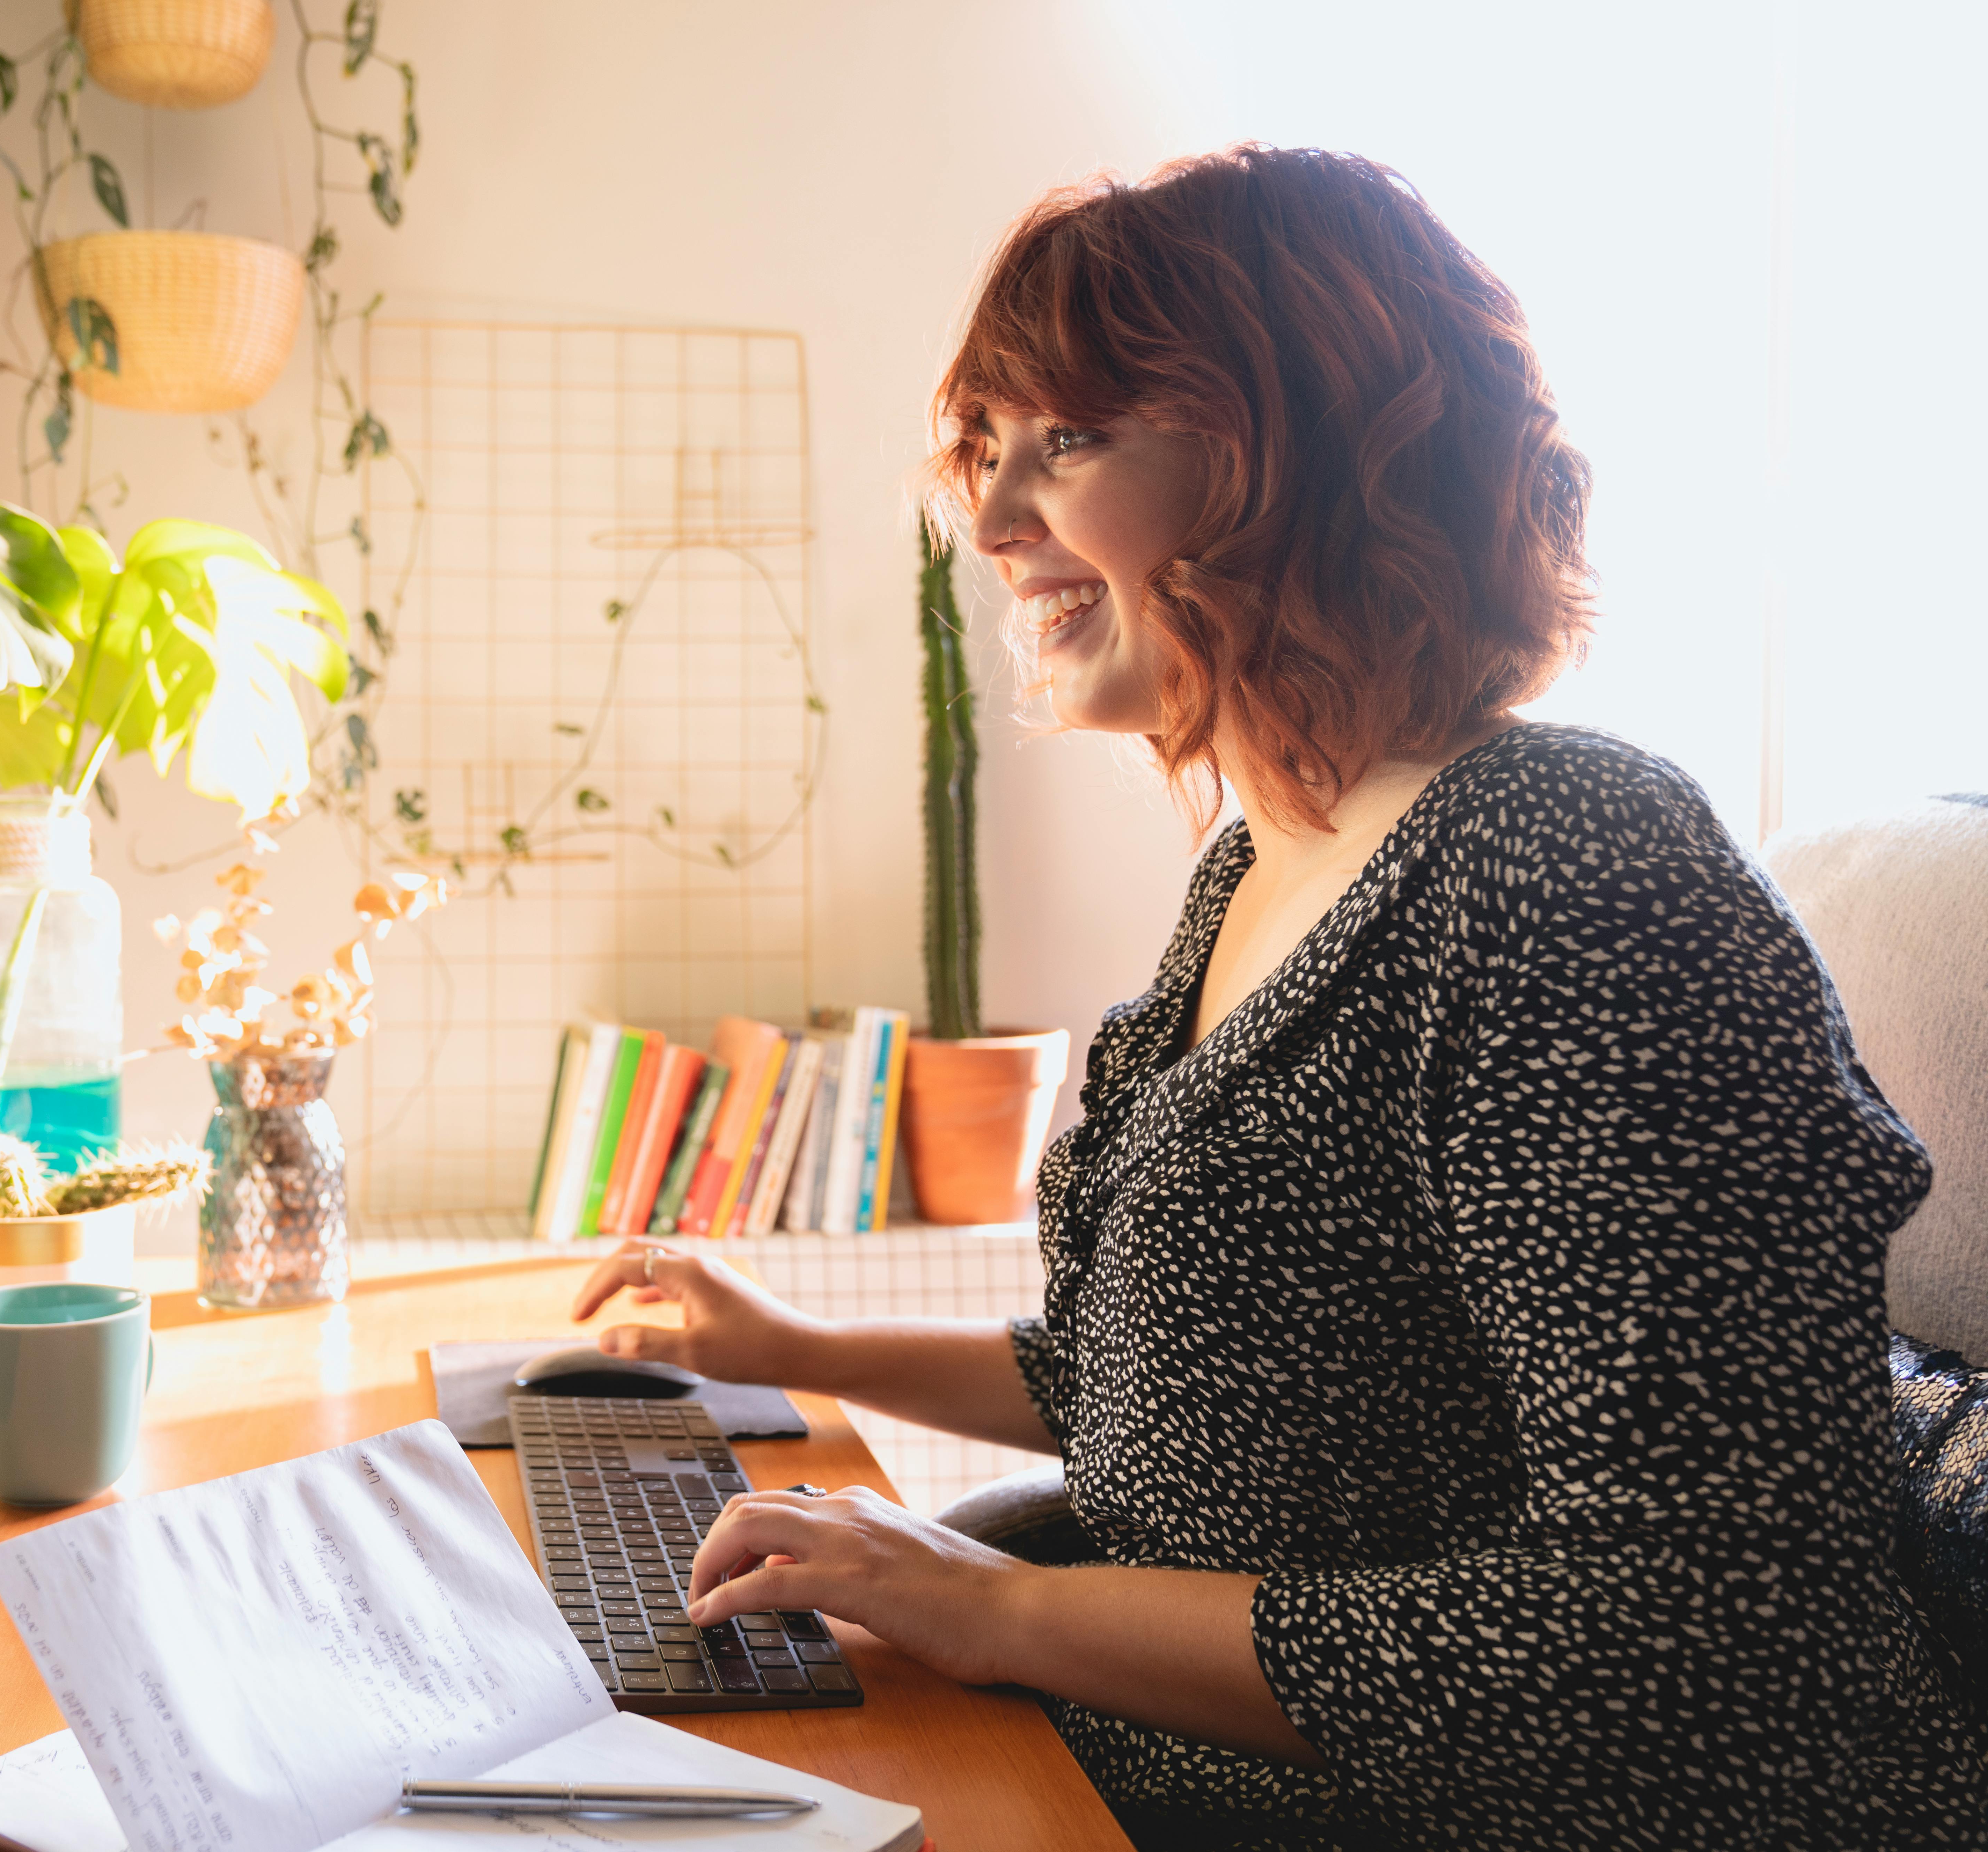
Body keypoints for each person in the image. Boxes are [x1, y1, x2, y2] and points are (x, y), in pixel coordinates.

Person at [568, 145, 1985, 1849]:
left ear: (1295, 455)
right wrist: (787, 1352)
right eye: (985, 451)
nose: (995, 518)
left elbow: (1691, 1634)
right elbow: (1180, 1382)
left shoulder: (1568, 869)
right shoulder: (1261, 864)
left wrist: (1000, 1611)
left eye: (1069, 439)